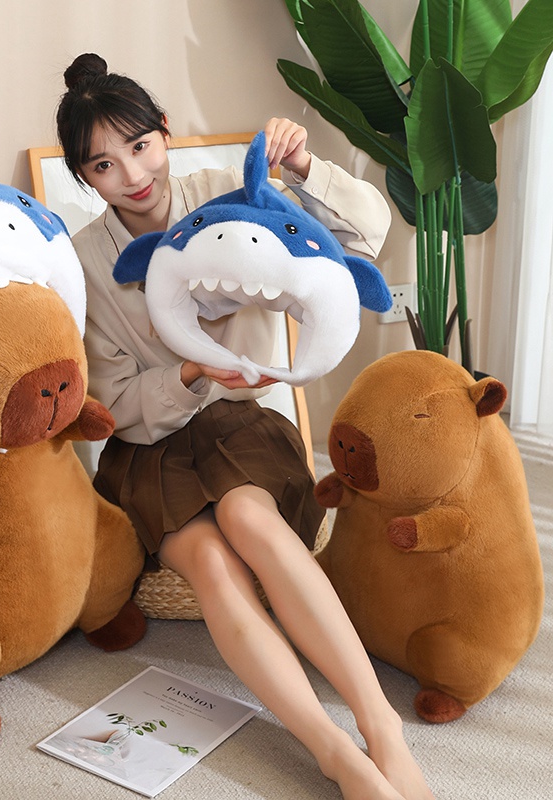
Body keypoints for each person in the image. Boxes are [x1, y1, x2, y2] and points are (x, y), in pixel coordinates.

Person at [55, 52, 435, 800]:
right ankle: (336, 754)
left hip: (243, 428)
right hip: (150, 450)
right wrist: (191, 373)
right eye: (103, 165)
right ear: (83, 177)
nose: (132, 174)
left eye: (140, 146)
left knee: (249, 520)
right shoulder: (84, 262)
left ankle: (382, 729)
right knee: (211, 564)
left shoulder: (232, 194)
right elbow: (114, 402)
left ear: (165, 133)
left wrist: (303, 167)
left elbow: (365, 235)